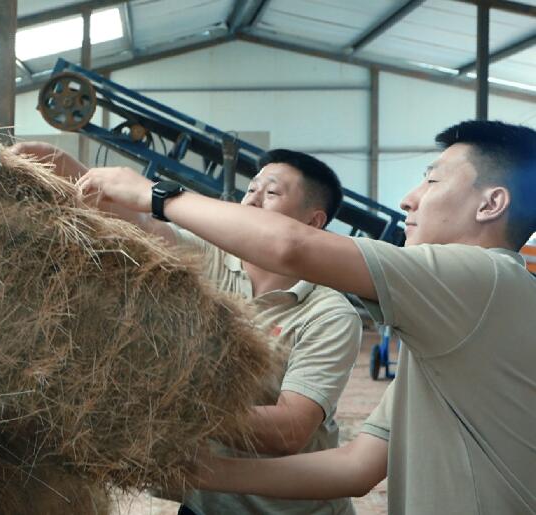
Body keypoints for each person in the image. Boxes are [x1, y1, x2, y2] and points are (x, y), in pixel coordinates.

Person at [75, 120, 536, 515]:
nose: (408, 200)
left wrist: (153, 194)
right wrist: (193, 474)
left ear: (490, 204)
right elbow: (356, 467)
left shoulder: (485, 278)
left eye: (431, 181)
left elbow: (289, 246)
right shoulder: (447, 331)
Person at [13, 142, 363, 515]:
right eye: (250, 189)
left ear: (313, 222)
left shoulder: (329, 314)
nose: (252, 201)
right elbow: (141, 225)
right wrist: (67, 166)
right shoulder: (210, 259)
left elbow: (289, 429)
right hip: (204, 506)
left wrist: (162, 404)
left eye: (272, 193)